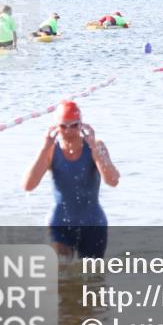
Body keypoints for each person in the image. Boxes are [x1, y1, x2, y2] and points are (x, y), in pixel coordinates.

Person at [23, 101, 119, 260]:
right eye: (63, 126)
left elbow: (113, 181)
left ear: (81, 125)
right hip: (59, 223)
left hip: (93, 224)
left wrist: (95, 151)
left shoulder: (96, 146)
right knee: (59, 274)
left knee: (93, 278)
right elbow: (28, 185)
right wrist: (43, 148)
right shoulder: (51, 150)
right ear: (56, 127)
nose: (68, 131)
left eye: (74, 125)